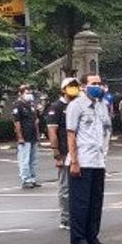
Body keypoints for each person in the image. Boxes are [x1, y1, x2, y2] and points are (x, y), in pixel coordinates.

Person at [66, 74, 112, 244]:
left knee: (95, 201)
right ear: (84, 86)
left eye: (100, 83)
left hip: (98, 160)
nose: (98, 86)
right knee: (80, 203)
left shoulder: (101, 105)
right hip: (82, 160)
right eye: (94, 83)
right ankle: (78, 239)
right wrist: (74, 161)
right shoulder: (75, 105)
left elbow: (105, 129)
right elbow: (71, 134)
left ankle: (92, 236)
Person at [46, 78, 77, 230]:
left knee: (77, 187)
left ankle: (76, 215)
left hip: (77, 152)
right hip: (64, 152)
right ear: (63, 89)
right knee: (65, 187)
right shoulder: (57, 107)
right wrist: (57, 154)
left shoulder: (76, 105)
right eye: (70, 87)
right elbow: (52, 132)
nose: (74, 89)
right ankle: (66, 218)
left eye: (76, 87)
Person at [13, 84, 42, 189]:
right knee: (24, 159)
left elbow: (35, 121)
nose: (29, 95)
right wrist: (20, 137)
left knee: (33, 159)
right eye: (26, 93)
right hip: (24, 136)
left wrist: (38, 134)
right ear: (20, 94)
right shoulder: (18, 105)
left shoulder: (31, 105)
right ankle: (26, 179)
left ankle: (32, 178)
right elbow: (17, 123)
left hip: (33, 135)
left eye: (30, 92)